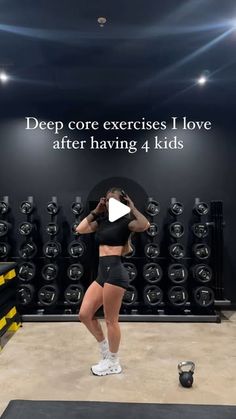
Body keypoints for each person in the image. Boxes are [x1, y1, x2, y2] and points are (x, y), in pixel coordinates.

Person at [76, 187, 150, 376]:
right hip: (102, 274)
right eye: (107, 200)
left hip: (116, 273)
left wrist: (132, 207)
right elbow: (80, 229)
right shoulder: (101, 221)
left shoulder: (127, 223)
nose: (110, 203)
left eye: (114, 200)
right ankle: (105, 351)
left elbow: (145, 224)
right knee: (85, 314)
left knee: (111, 321)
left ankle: (114, 362)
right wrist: (96, 211)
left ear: (122, 202)